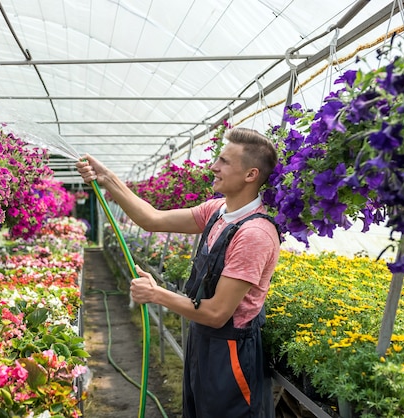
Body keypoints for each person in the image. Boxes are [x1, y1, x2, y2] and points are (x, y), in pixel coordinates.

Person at [76, 127, 281, 418]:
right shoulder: (217, 210)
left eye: (224, 161)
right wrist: (106, 177)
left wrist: (156, 294)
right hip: (204, 341)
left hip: (231, 352)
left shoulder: (254, 234)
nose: (214, 166)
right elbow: (152, 219)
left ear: (251, 175)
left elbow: (216, 313)